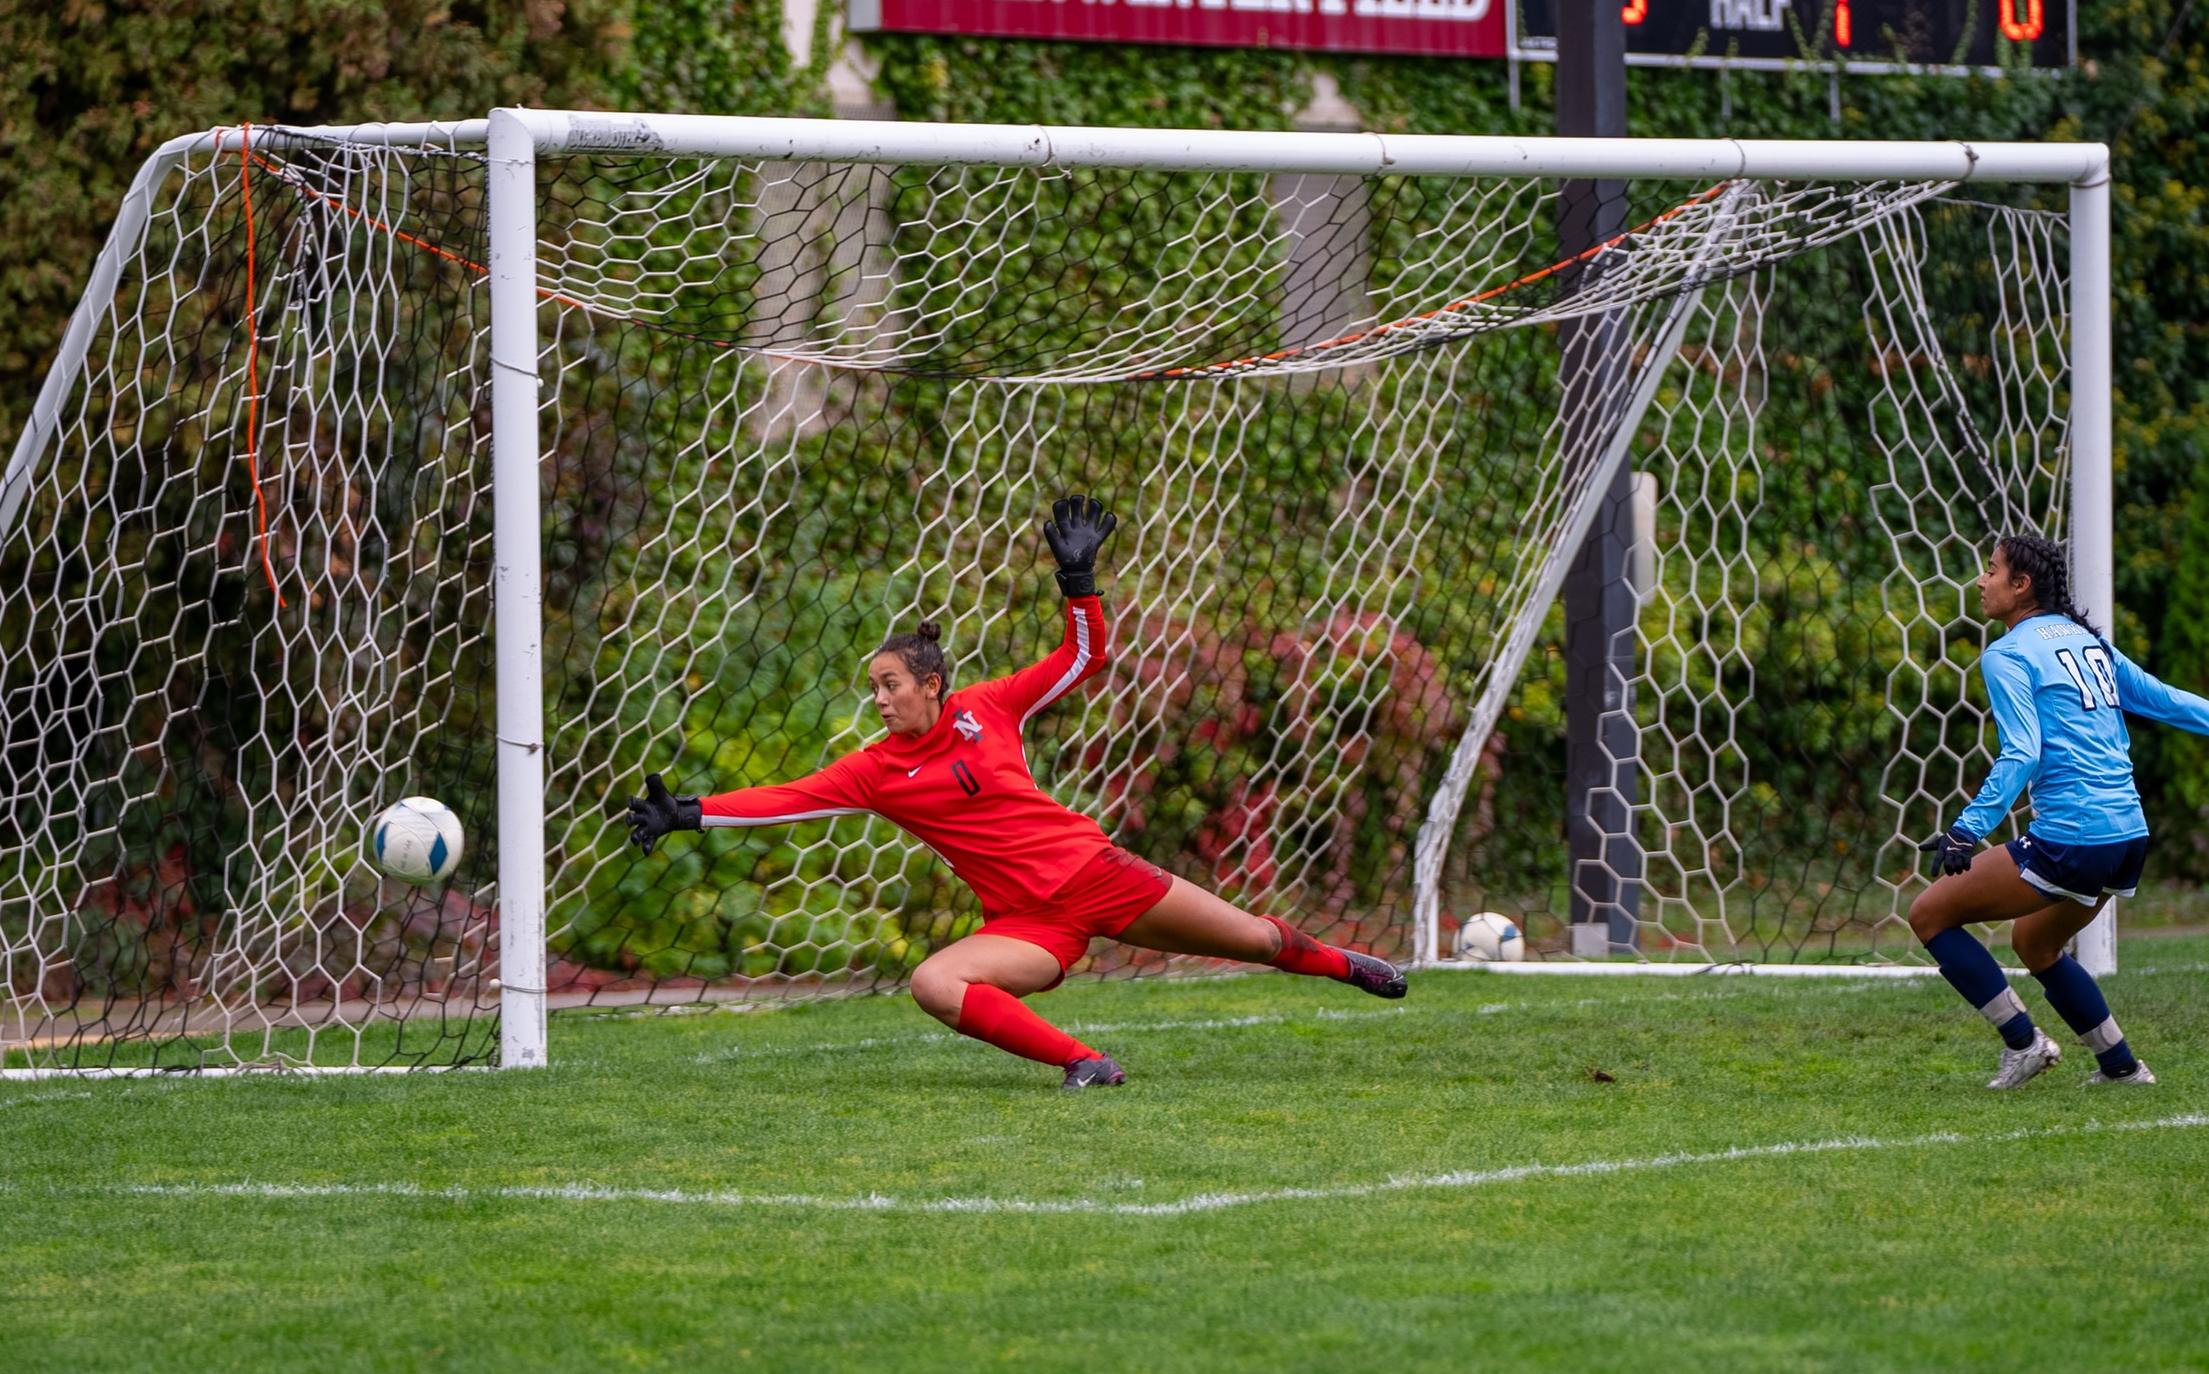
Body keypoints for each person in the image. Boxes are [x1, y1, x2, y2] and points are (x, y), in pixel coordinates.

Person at [623, 494, 1406, 1090]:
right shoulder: (872, 771)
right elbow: (786, 798)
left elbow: (1082, 658)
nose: (881, 699)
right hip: (1030, 923)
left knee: (1263, 945)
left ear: (930, 684)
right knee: (934, 982)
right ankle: (1088, 1065)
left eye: (891, 684)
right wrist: (685, 813)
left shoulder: (988, 707)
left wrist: (1077, 580)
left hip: (1100, 876)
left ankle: (1343, 964)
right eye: (873, 689)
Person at [1911, 533, 2209, 1089]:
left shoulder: (2008, 653)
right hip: (2127, 837)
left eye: (1992, 570)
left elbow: (2023, 751)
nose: (1981, 580)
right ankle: (2120, 1066)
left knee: (1929, 915)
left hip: (2076, 836)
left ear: (2021, 585)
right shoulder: (2086, 642)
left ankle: (2024, 1044)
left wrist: (1964, 830)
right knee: (2035, 942)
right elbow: (2170, 701)